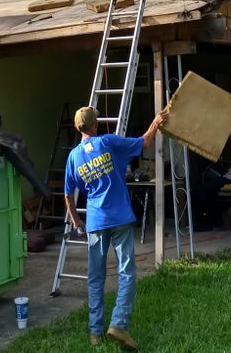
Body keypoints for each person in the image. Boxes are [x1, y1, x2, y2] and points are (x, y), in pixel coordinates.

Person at [64, 106, 167, 350]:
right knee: (126, 273)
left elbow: (68, 193)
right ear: (96, 125)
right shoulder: (108, 142)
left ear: (77, 128)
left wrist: (76, 220)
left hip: (96, 222)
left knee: (95, 278)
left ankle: (95, 333)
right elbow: (145, 142)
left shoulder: (74, 157)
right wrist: (156, 121)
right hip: (119, 218)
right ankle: (119, 324)